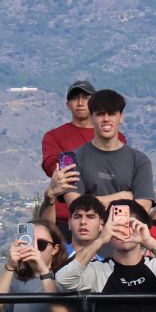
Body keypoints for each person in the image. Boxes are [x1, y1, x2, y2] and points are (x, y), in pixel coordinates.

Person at [68, 89, 154, 209]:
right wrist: (122, 197)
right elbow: (75, 205)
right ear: (91, 118)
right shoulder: (73, 159)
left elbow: (143, 207)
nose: (106, 119)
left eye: (112, 113)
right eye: (100, 114)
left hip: (126, 227)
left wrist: (90, 201)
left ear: (121, 117)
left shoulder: (140, 161)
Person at [40, 81, 100, 232]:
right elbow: (54, 169)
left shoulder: (114, 137)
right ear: (68, 105)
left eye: (86, 97)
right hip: (65, 220)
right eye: (75, 98)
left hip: (103, 219)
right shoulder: (54, 136)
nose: (80, 103)